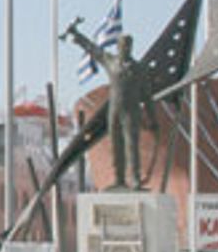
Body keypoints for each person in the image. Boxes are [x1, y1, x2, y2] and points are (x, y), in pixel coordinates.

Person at [62, 19, 158, 189]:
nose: (125, 48)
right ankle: (119, 179)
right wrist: (77, 35)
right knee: (116, 145)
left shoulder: (138, 69)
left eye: (128, 46)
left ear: (131, 47)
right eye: (122, 45)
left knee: (131, 146)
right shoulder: (110, 61)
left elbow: (147, 96)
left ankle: (135, 178)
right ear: (118, 47)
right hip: (114, 110)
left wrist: (152, 118)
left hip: (132, 111)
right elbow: (93, 49)